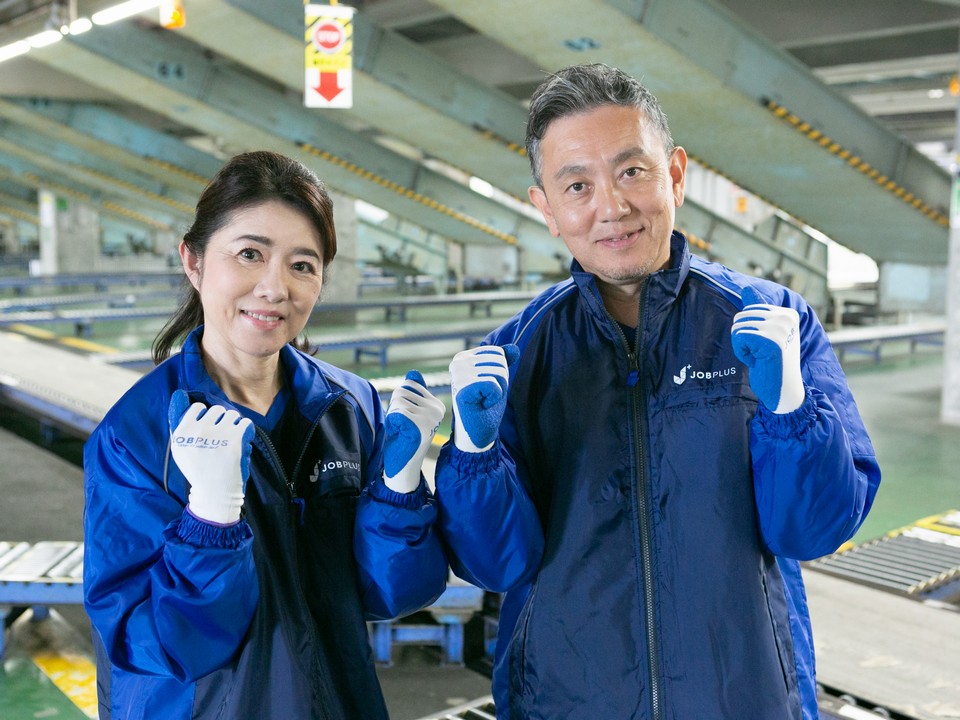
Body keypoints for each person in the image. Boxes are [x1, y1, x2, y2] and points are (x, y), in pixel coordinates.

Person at [433, 64, 881, 720]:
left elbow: (816, 528)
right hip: (566, 702)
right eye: (577, 185)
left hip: (741, 699)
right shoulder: (516, 354)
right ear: (546, 208)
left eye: (632, 171)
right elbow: (494, 565)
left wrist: (789, 409)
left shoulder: (771, 321)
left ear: (674, 174)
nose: (612, 206)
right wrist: (474, 456)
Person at [82, 150, 449, 719]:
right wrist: (209, 523)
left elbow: (390, 595)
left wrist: (400, 491)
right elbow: (155, 644)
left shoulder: (349, 408)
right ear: (194, 262)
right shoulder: (137, 435)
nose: (275, 288)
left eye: (302, 265)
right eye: (249, 254)